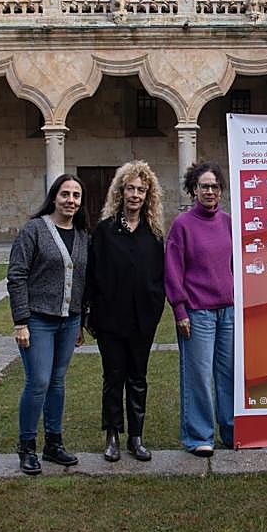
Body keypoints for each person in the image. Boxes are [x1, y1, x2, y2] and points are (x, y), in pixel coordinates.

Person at [7, 173, 89, 476]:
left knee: (57, 382)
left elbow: (82, 280)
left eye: (76, 196)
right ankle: (26, 446)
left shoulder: (82, 235)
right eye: (65, 194)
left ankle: (53, 443)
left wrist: (81, 320)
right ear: (54, 197)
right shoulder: (34, 230)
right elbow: (16, 275)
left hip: (69, 321)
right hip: (38, 320)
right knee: (38, 382)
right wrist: (21, 322)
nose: (71, 200)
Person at [85, 160, 166, 463]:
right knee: (113, 377)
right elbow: (93, 275)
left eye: (141, 190)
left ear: (148, 196)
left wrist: (155, 306)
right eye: (130, 189)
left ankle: (136, 437)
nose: (135, 195)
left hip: (142, 320)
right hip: (110, 320)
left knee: (138, 378)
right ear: (120, 192)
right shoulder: (105, 231)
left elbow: (159, 277)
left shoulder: (154, 234)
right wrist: (90, 315)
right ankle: (112, 436)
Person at [165, 161, 234, 457]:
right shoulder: (182, 225)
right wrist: (180, 310)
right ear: (193, 189)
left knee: (228, 374)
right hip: (197, 313)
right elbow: (172, 270)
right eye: (204, 186)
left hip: (228, 312)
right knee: (199, 375)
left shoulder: (229, 222)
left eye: (214, 186)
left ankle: (231, 431)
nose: (210, 191)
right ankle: (199, 436)